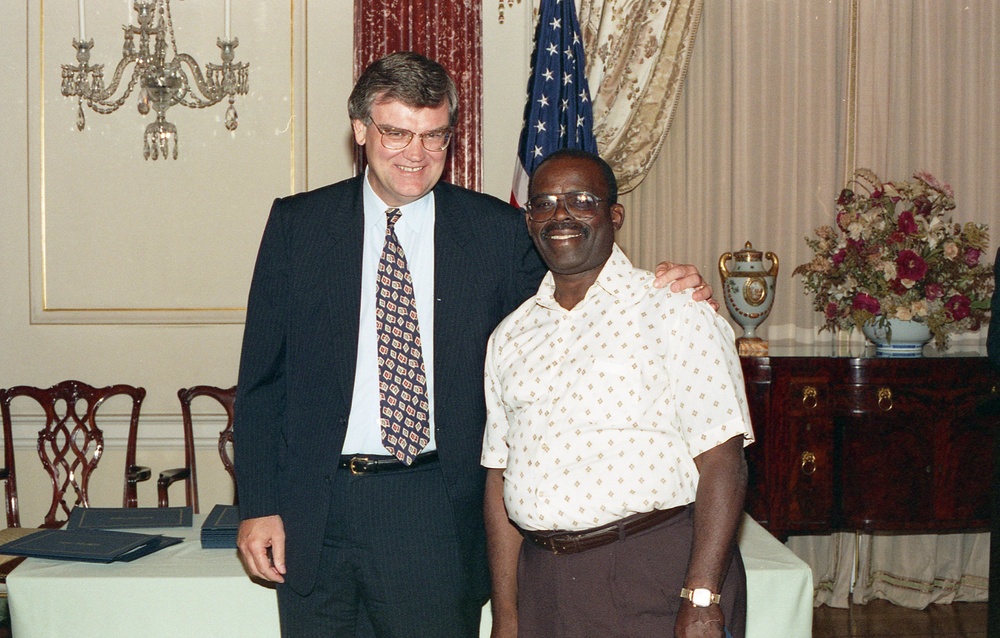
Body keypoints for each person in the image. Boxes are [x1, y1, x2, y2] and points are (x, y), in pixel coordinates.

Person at [233, 52, 716, 638]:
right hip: (316, 510)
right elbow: (262, 382)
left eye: (434, 136)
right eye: (397, 133)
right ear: (360, 130)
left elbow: (580, 293)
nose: (416, 154)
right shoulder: (299, 226)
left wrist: (669, 287)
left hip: (434, 512)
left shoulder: (496, 232)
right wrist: (258, 504)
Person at [481, 149, 754, 638]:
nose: (560, 214)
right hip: (543, 582)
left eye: (581, 200)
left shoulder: (675, 309)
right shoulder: (510, 336)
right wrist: (507, 615)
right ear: (529, 221)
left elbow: (723, 460)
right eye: (543, 203)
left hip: (652, 572)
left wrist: (702, 596)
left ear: (615, 215)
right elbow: (500, 476)